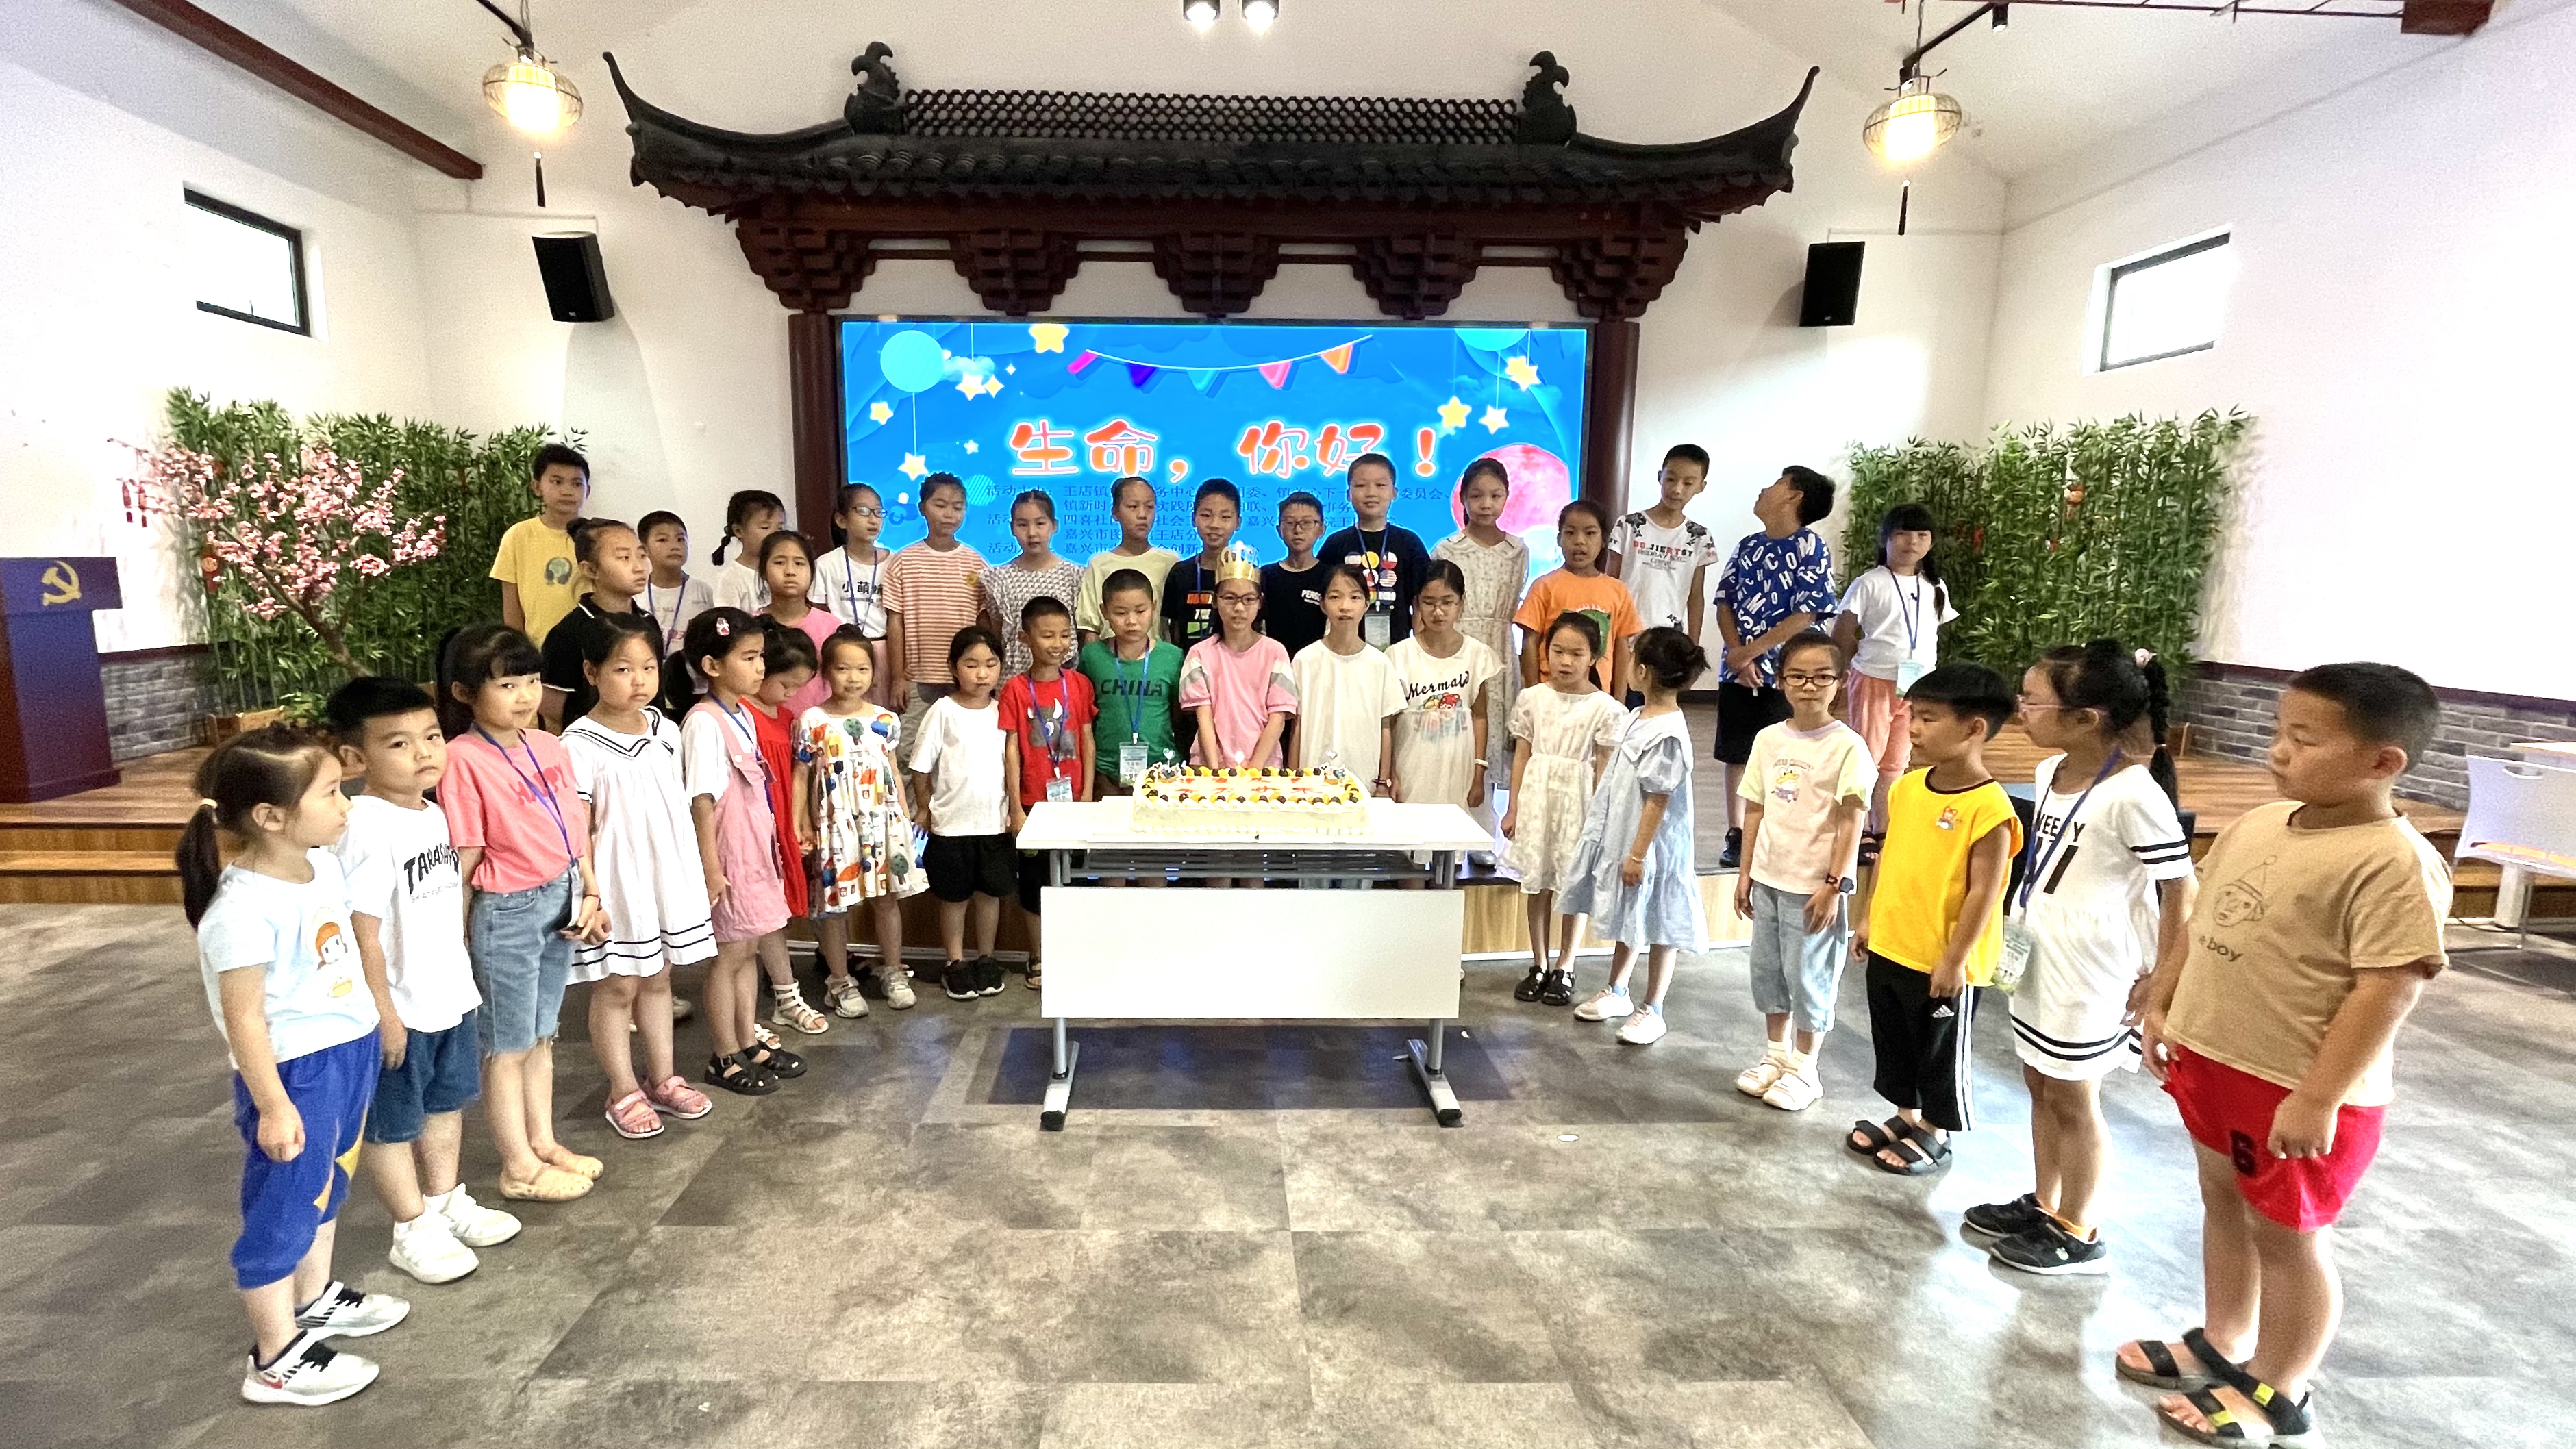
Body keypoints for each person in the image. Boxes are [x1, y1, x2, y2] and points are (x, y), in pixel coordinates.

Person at [2121, 664, 2447, 1446]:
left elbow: (2385, 990)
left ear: (2382, 761)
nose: (2277, 752)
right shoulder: (2261, 823)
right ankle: (2223, 1338)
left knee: (2288, 1236)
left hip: (2292, 1085)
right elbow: (2201, 920)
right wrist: (2164, 1000)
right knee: (2221, 1200)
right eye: (2277, 732)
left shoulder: (2393, 861)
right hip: (2215, 1058)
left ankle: (2278, 1385)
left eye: (2303, 739)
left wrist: (2317, 1097)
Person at [180, 726, 411, 1406]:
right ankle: (274, 1359)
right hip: (297, 1074)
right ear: (271, 816)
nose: (347, 803)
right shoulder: (242, 911)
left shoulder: (322, 866)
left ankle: (314, 1303)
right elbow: (245, 1019)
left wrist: (374, 1018)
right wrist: (275, 1105)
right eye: (332, 792)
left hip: (347, 1054)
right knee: (281, 1211)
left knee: (325, 1187)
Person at [1968, 640, 2197, 1276]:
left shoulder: (2132, 794)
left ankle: (2080, 1225)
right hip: (2041, 950)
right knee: (2038, 1080)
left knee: (2073, 1094)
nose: (2021, 710)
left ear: (2084, 718)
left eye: (2032, 701)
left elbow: (2181, 891)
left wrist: (2161, 981)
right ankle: (2046, 1202)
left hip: (2093, 968)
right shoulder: (2050, 773)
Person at [324, 679, 521, 1288]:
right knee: (393, 1123)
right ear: (354, 758)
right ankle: (411, 1228)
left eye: (432, 737)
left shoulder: (430, 813)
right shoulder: (365, 825)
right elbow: (361, 931)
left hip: (447, 994)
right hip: (401, 1006)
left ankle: (443, 1202)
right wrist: (383, 1010)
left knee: (445, 1103)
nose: (424, 753)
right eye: (399, 744)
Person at [436, 622, 608, 1203]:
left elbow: (576, 830)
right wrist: (456, 937)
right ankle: (517, 1166)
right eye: (507, 685)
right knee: (506, 1044)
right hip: (505, 910)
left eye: (531, 681)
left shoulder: (548, 745)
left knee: (541, 1036)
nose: (525, 696)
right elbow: (466, 855)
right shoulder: (462, 758)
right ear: (466, 693)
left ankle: (543, 1143)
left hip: (561, 896)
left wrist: (591, 893)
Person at [1845, 664, 2021, 1176]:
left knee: (1939, 1050)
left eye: (1928, 718)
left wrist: (1955, 958)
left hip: (1942, 960)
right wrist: (1869, 919)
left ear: (1974, 728)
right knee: (1895, 1039)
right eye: (1913, 716)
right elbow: (1890, 857)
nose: (1914, 728)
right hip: (1893, 943)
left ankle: (1936, 1131)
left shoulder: (1990, 808)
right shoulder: (1907, 787)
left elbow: (1985, 892)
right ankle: (1907, 1116)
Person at [560, 618, 719, 1142]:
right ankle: (622, 1089)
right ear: (592, 672)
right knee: (618, 985)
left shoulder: (665, 730)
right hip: (616, 880)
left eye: (648, 668)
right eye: (623, 670)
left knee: (658, 978)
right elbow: (578, 826)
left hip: (664, 873)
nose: (639, 681)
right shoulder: (578, 743)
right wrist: (591, 893)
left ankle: (664, 1078)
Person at [1728, 631, 1872, 1112]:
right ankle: (1775, 1055)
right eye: (1797, 676)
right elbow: (1754, 808)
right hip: (1769, 877)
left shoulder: (1848, 747)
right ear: (1781, 681)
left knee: (1810, 977)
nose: (1809, 686)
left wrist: (1834, 884)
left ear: (1840, 681)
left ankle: (1806, 1068)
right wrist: (1746, 873)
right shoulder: (1768, 739)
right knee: (1769, 972)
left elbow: (1851, 819)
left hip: (1814, 885)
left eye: (1821, 677)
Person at [1560, 627, 1710, 1045]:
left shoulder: (1667, 734)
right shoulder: (1638, 716)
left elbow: (1658, 800)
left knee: (1661, 919)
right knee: (1633, 914)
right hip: (1626, 835)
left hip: (1654, 847)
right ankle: (1618, 989)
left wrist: (1638, 854)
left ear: (1643, 671)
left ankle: (1654, 1007)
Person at [679, 609, 807, 1096]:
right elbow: (701, 802)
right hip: (728, 855)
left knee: (749, 951)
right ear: (712, 666)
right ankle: (724, 1053)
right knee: (729, 955)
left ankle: (748, 1041)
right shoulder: (703, 723)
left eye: (760, 657)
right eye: (749, 658)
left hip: (756, 849)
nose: (760, 668)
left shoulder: (743, 714)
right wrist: (711, 869)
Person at [1712, 465, 1841, 868]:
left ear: (1794, 496)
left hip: (1787, 674)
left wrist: (1751, 652)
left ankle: (1777, 831)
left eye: (1776, 483)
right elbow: (1724, 602)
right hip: (1739, 670)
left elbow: (1807, 613)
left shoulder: (1810, 547)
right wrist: (1738, 654)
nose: (1764, 489)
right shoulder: (1748, 545)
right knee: (1737, 752)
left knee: (1786, 752)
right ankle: (1737, 834)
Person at [1500, 613, 1629, 1007]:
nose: (1566, 661)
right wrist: (1513, 808)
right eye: (1558, 651)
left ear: (1595, 657)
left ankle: (1566, 965)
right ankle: (1538, 963)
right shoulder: (1532, 698)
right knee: (1537, 881)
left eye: (1576, 653)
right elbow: (1522, 755)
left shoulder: (1605, 708)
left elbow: (1605, 770)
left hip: (1579, 801)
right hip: (1538, 798)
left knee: (1572, 886)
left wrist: (1601, 820)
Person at [797, 627, 923, 1015]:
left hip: (881, 821)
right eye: (843, 669)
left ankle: (894, 971)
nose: (853, 678)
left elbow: (892, 768)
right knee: (835, 906)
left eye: (863, 669)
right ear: (826, 672)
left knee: (886, 899)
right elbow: (800, 776)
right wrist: (801, 823)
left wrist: (903, 817)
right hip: (835, 824)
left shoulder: (885, 718)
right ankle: (839, 980)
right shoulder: (812, 719)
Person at [1831, 503, 1958, 836]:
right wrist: (1851, 669)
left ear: (1931, 542)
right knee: (1866, 758)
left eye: (1921, 535)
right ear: (1885, 539)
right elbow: (1842, 633)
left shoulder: (1935, 586)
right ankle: (1854, 831)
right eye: (1902, 534)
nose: (1912, 542)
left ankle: (1882, 829)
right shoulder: (1869, 583)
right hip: (1874, 680)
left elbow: (1930, 633)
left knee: (1896, 762)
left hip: (1918, 686)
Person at [911, 626, 1016, 1000]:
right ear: (954, 667)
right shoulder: (943, 710)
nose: (982, 673)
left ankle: (986, 958)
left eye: (990, 664)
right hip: (951, 825)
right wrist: (924, 808)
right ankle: (954, 962)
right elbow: (921, 767)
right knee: (954, 899)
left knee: (989, 895)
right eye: (971, 665)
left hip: (994, 823)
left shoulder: (1004, 710)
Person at [999, 598, 1097, 975]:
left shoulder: (1079, 684)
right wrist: (1016, 808)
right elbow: (1011, 750)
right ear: (1025, 638)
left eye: (1064, 635)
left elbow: (1087, 739)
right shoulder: (1015, 689)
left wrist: (1086, 796)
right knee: (1034, 884)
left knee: (1075, 879)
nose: (1057, 644)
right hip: (1033, 804)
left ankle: (1072, 951)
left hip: (1073, 803)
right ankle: (1038, 955)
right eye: (1047, 636)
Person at [745, 622, 827, 1034]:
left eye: (799, 687)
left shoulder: (789, 718)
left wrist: (801, 822)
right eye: (786, 684)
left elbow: (798, 777)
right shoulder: (741, 717)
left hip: (782, 823)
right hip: (751, 827)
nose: (791, 694)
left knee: (775, 914)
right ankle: (752, 1013)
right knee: (751, 922)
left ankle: (785, 996)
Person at [1433, 458, 1530, 790]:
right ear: (1463, 499)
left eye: (1495, 495)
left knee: (1495, 723)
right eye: (1476, 496)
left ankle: (1486, 810)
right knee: (1455, 722)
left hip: (1500, 646)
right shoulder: (1448, 549)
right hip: (1458, 644)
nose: (1486, 504)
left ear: (1506, 497)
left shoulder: (1518, 550)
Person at [541, 517, 689, 729]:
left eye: (642, 555)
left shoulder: (647, 622)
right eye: (624, 558)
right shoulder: (570, 631)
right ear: (590, 570)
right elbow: (551, 701)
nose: (639, 567)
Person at [1387, 561, 1501, 818]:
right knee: (1413, 835)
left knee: (1456, 836)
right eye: (1429, 603)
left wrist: (1478, 772)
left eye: (1447, 602)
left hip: (1458, 769)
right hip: (1412, 767)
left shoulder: (1477, 655)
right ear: (1416, 604)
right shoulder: (1399, 656)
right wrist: (1392, 773)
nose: (1438, 612)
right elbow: (1390, 723)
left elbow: (1480, 716)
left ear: (1461, 604)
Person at [885, 473, 989, 753]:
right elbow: (895, 622)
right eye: (940, 505)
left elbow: (983, 624)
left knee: (960, 750)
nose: (949, 514)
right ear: (923, 508)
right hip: (918, 677)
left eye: (958, 507)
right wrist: (898, 677)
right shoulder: (903, 560)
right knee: (910, 750)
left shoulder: (977, 563)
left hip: (965, 678)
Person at [1290, 565, 1405, 794]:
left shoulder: (1380, 663)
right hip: (1311, 782)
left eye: (1355, 597)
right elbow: (1297, 725)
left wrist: (1383, 782)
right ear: (1323, 604)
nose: (1345, 606)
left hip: (1363, 781)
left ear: (1366, 604)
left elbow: (1385, 726)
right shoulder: (1305, 660)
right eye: (1335, 597)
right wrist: (1293, 779)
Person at [1605, 444, 1718, 677]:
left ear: (1701, 486)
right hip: (1623, 636)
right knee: (1620, 697)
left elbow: (1696, 595)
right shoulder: (1628, 525)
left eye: (1688, 483)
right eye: (1671, 479)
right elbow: (1609, 584)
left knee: (1660, 697)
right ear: (1660, 477)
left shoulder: (1699, 537)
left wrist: (1693, 647)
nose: (1677, 489)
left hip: (1669, 644)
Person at [1179, 549, 1297, 771]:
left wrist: (1253, 771)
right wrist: (1215, 771)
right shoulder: (1199, 654)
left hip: (1264, 769)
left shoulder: (1276, 652)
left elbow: (1278, 717)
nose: (1239, 608)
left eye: (1248, 599)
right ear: (1216, 601)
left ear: (1260, 602)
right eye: (1229, 598)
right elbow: (1204, 717)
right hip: (1208, 768)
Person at [1077, 568, 1186, 807]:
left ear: (1154, 607)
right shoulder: (1093, 656)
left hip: (1162, 771)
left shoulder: (1173, 657)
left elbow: (1178, 716)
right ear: (1104, 611)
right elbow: (1085, 714)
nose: (1131, 621)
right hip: (1107, 772)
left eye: (1140, 611)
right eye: (1120, 612)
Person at [1514, 500, 1642, 698]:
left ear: (1604, 540)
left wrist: (1619, 700)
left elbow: (1622, 647)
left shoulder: (1617, 590)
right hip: (1551, 695)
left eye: (1590, 533)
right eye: (1570, 533)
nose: (1580, 541)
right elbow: (1530, 642)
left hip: (1598, 698)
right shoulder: (1544, 586)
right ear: (1559, 539)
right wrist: (1533, 694)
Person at [1319, 451, 1431, 648]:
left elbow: (1422, 600)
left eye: (1380, 485)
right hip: (1345, 650)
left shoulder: (1409, 543)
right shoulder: (1335, 544)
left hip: (1399, 648)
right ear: (1348, 494)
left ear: (1394, 492)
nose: (1371, 493)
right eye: (1361, 486)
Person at [808, 482, 899, 711]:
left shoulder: (895, 563)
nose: (873, 519)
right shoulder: (827, 564)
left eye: (878, 512)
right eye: (864, 511)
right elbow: (818, 614)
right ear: (842, 520)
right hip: (841, 651)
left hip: (884, 650)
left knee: (882, 717)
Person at [489, 442, 589, 644]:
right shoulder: (518, 536)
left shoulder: (598, 536)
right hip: (537, 647)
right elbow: (511, 604)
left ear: (588, 491)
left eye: (577, 484)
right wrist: (519, 649)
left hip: (591, 646)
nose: (567, 491)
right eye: (557, 482)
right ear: (537, 487)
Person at [981, 489, 1084, 678]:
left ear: (1054, 526)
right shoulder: (998, 579)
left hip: (1062, 681)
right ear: (1012, 528)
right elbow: (995, 635)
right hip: (1013, 680)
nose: (1032, 533)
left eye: (1040, 524)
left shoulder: (1075, 576)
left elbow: (1081, 632)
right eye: (1022, 525)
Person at [1075, 475, 1181, 642]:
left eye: (1150, 507)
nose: (1142, 515)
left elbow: (1175, 624)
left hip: (1157, 656)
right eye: (1133, 506)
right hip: (1110, 655)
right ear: (1115, 512)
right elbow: (1089, 628)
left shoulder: (1170, 562)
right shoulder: (1099, 564)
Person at [755, 530, 842, 718]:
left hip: (820, 725)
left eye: (799, 563)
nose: (790, 571)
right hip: (764, 724)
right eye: (779, 562)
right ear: (763, 571)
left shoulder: (831, 627)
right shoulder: (750, 627)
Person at [1161, 478, 1242, 653]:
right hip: (1189, 663)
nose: (1215, 525)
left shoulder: (1246, 574)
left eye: (1225, 517)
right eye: (1206, 515)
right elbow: (1172, 629)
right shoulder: (1181, 573)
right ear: (1194, 519)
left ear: (1238, 523)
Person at [636, 510, 714, 669]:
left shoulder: (703, 591)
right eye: (663, 540)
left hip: (691, 675)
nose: (674, 546)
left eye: (680, 539)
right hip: (646, 673)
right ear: (644, 549)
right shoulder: (637, 591)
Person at [1260, 490, 1331, 660]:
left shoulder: (1331, 576)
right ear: (1279, 529)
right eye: (1290, 522)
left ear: (1321, 529)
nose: (1298, 530)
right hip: (1274, 664)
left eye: (1307, 523)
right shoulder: (1264, 575)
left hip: (1318, 665)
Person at [708, 489, 786, 614]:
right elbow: (728, 621)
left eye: (780, 528)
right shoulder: (731, 579)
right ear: (739, 531)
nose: (775, 534)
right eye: (765, 527)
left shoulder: (784, 570)